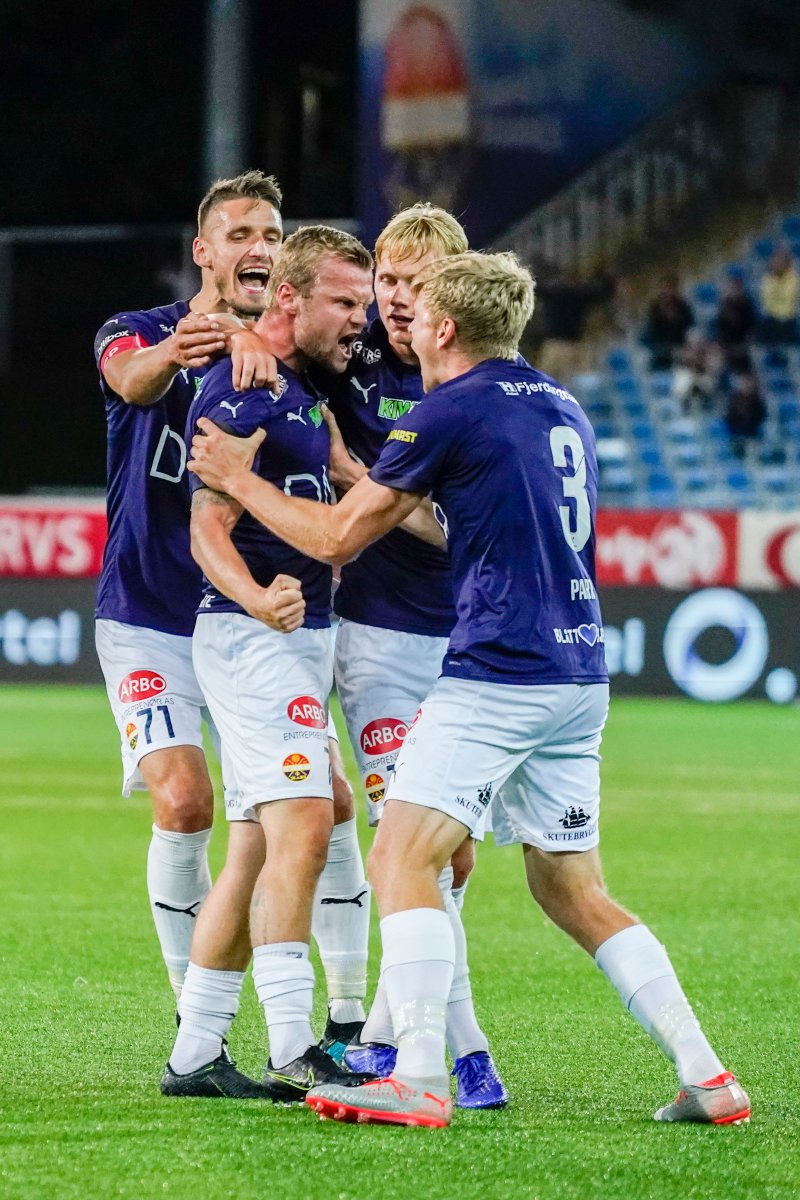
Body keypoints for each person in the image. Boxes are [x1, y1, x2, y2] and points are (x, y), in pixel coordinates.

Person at [188, 250, 750, 1130]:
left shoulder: (448, 409)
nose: (398, 325)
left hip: (499, 671)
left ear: (447, 328)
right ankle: (707, 1074)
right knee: (571, 887)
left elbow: (338, 539)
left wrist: (238, 480)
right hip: (578, 672)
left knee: (399, 858)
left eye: (416, 314)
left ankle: (415, 1073)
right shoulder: (562, 405)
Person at [161, 225, 378, 1100]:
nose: (358, 320)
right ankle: (295, 1045)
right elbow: (205, 528)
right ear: (289, 298)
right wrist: (255, 596)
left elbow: (336, 477)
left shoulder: (299, 395)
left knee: (260, 841)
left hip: (298, 640)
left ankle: (195, 1054)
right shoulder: (244, 388)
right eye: (345, 302)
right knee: (305, 824)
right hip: (256, 639)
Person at [315, 203, 506, 1108]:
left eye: (414, 283)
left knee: (448, 856)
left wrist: (373, 489)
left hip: (465, 644)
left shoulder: (466, 384)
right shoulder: (351, 368)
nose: (394, 299)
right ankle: (460, 1055)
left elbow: (461, 531)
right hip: (379, 642)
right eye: (387, 280)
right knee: (411, 845)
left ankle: (395, 1039)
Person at [94, 170, 284, 1005]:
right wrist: (189, 344)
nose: (260, 249)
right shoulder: (138, 331)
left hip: (242, 618)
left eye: (273, 236)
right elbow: (131, 381)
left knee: (306, 809)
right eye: (241, 234)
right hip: (146, 614)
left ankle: (339, 1012)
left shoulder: (290, 354)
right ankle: (194, 1008)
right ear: (204, 253)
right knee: (184, 799)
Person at [641, 274, 694, 369]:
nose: (666, 291)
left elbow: (690, 326)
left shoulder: (683, 306)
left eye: (669, 288)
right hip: (661, 346)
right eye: (664, 288)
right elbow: (652, 330)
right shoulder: (655, 308)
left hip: (680, 345)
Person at [758, 247, 800, 347]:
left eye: (780, 261)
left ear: (787, 263)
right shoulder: (767, 279)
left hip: (789, 318)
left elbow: (789, 300)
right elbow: (767, 302)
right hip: (772, 319)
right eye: (775, 261)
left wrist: (777, 297)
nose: (777, 264)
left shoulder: (793, 279)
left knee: (787, 324)